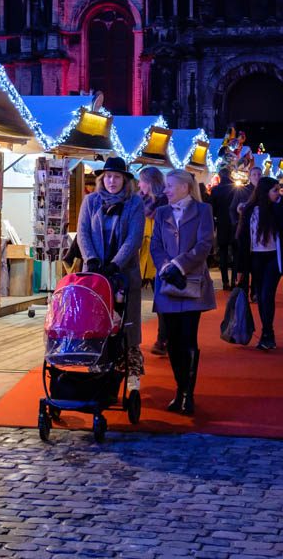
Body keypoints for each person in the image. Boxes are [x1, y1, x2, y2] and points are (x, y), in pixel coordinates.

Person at [150, 169, 216, 415]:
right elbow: (156, 244)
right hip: (167, 285)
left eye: (169, 185)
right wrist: (166, 266)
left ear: (185, 188)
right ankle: (180, 388)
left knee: (188, 338)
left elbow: (204, 244)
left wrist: (180, 264)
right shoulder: (162, 212)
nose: (165, 190)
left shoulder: (203, 211)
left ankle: (188, 394)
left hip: (191, 284)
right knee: (173, 341)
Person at [77, 156, 146, 391]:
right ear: (101, 178)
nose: (112, 181)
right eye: (107, 176)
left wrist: (116, 264)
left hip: (123, 275)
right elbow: (83, 232)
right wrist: (92, 259)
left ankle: (131, 376)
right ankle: (98, 373)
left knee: (127, 326)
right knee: (96, 324)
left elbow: (134, 238)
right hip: (95, 276)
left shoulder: (134, 203)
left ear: (125, 180)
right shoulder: (90, 201)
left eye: (117, 177)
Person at [235, 176, 283, 350]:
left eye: (278, 190)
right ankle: (267, 332)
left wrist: (280, 204)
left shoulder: (278, 207)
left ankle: (268, 332)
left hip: (273, 257)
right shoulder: (249, 210)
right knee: (261, 295)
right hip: (255, 257)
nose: (278, 193)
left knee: (267, 294)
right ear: (264, 191)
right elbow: (242, 240)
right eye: (274, 190)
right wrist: (240, 268)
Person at [137, 165, 168, 355]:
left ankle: (163, 338)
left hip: (160, 256)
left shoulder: (164, 204)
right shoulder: (139, 202)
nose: (139, 184)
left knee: (162, 298)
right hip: (143, 255)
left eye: (141, 180)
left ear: (148, 183)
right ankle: (162, 338)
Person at [230, 165, 262, 299]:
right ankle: (242, 290)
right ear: (249, 177)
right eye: (254, 174)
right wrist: (237, 223)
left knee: (256, 263)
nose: (256, 177)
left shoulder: (264, 191)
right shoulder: (242, 191)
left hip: (259, 233)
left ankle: (255, 291)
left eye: (259, 174)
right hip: (244, 232)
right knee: (243, 263)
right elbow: (232, 209)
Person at [209, 165, 237, 290]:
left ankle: (225, 281)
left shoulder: (216, 190)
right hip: (235, 224)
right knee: (236, 253)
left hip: (222, 224)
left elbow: (212, 208)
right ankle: (234, 280)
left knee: (223, 254)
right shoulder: (236, 189)